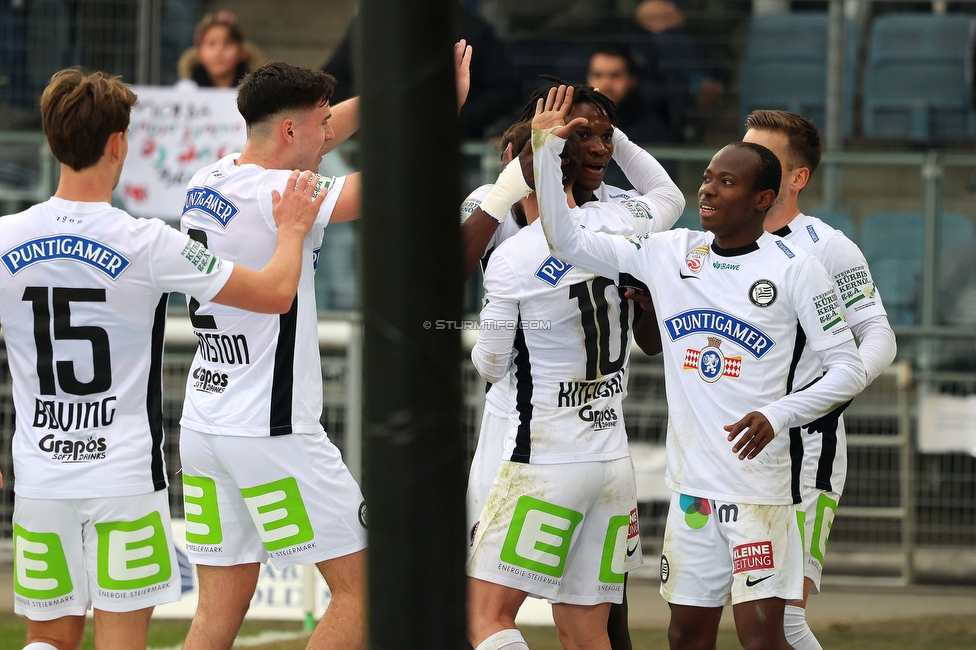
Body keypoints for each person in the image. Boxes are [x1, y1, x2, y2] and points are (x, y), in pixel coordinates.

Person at [532, 86, 868, 650]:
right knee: (686, 636)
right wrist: (544, 151)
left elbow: (848, 368)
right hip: (691, 491)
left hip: (760, 489)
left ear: (765, 199)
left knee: (765, 637)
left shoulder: (798, 270)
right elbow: (564, 238)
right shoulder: (669, 252)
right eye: (708, 176)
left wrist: (778, 414)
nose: (707, 188)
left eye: (726, 182)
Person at [0, 67, 324, 650]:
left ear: (52, 140)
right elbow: (276, 294)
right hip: (123, 475)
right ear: (120, 143)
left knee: (47, 640)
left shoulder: (4, 239)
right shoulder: (146, 241)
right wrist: (294, 230)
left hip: (40, 475)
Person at [176, 46, 470, 649]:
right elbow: (395, 180)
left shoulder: (207, 178)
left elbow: (316, 130)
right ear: (289, 129)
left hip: (205, 426)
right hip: (271, 430)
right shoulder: (281, 193)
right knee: (371, 589)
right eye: (320, 123)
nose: (329, 132)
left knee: (214, 617)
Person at [466, 106, 684, 649]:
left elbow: (489, 363)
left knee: (483, 616)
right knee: (587, 627)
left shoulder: (514, 256)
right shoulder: (624, 225)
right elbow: (671, 198)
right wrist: (608, 134)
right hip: (609, 455)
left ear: (526, 173)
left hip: (540, 454)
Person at [742, 109, 897, 650]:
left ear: (797, 177)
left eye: (762, 158)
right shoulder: (710, 242)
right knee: (706, 615)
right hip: (726, 454)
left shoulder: (827, 247)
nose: (744, 164)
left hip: (805, 452)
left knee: (782, 621)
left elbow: (878, 335)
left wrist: (834, 388)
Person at [586, 44, 674, 145]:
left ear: (632, 80)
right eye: (598, 75)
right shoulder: (576, 123)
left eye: (615, 75)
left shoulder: (650, 132)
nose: (606, 84)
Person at [176, 11, 267, 89]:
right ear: (198, 53)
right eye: (211, 44)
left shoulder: (259, 92)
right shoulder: (185, 90)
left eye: (227, 44)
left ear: (242, 52)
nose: (219, 51)